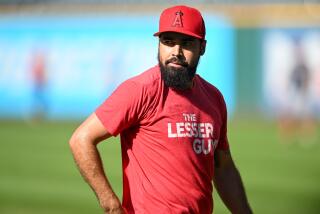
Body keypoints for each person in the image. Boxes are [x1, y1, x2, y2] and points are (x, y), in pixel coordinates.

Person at [69, 5, 252, 214]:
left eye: (187, 43)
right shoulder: (141, 90)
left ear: (202, 47)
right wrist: (112, 206)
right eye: (168, 42)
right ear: (158, 45)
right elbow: (80, 140)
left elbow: (223, 168)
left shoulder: (214, 98)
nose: (176, 52)